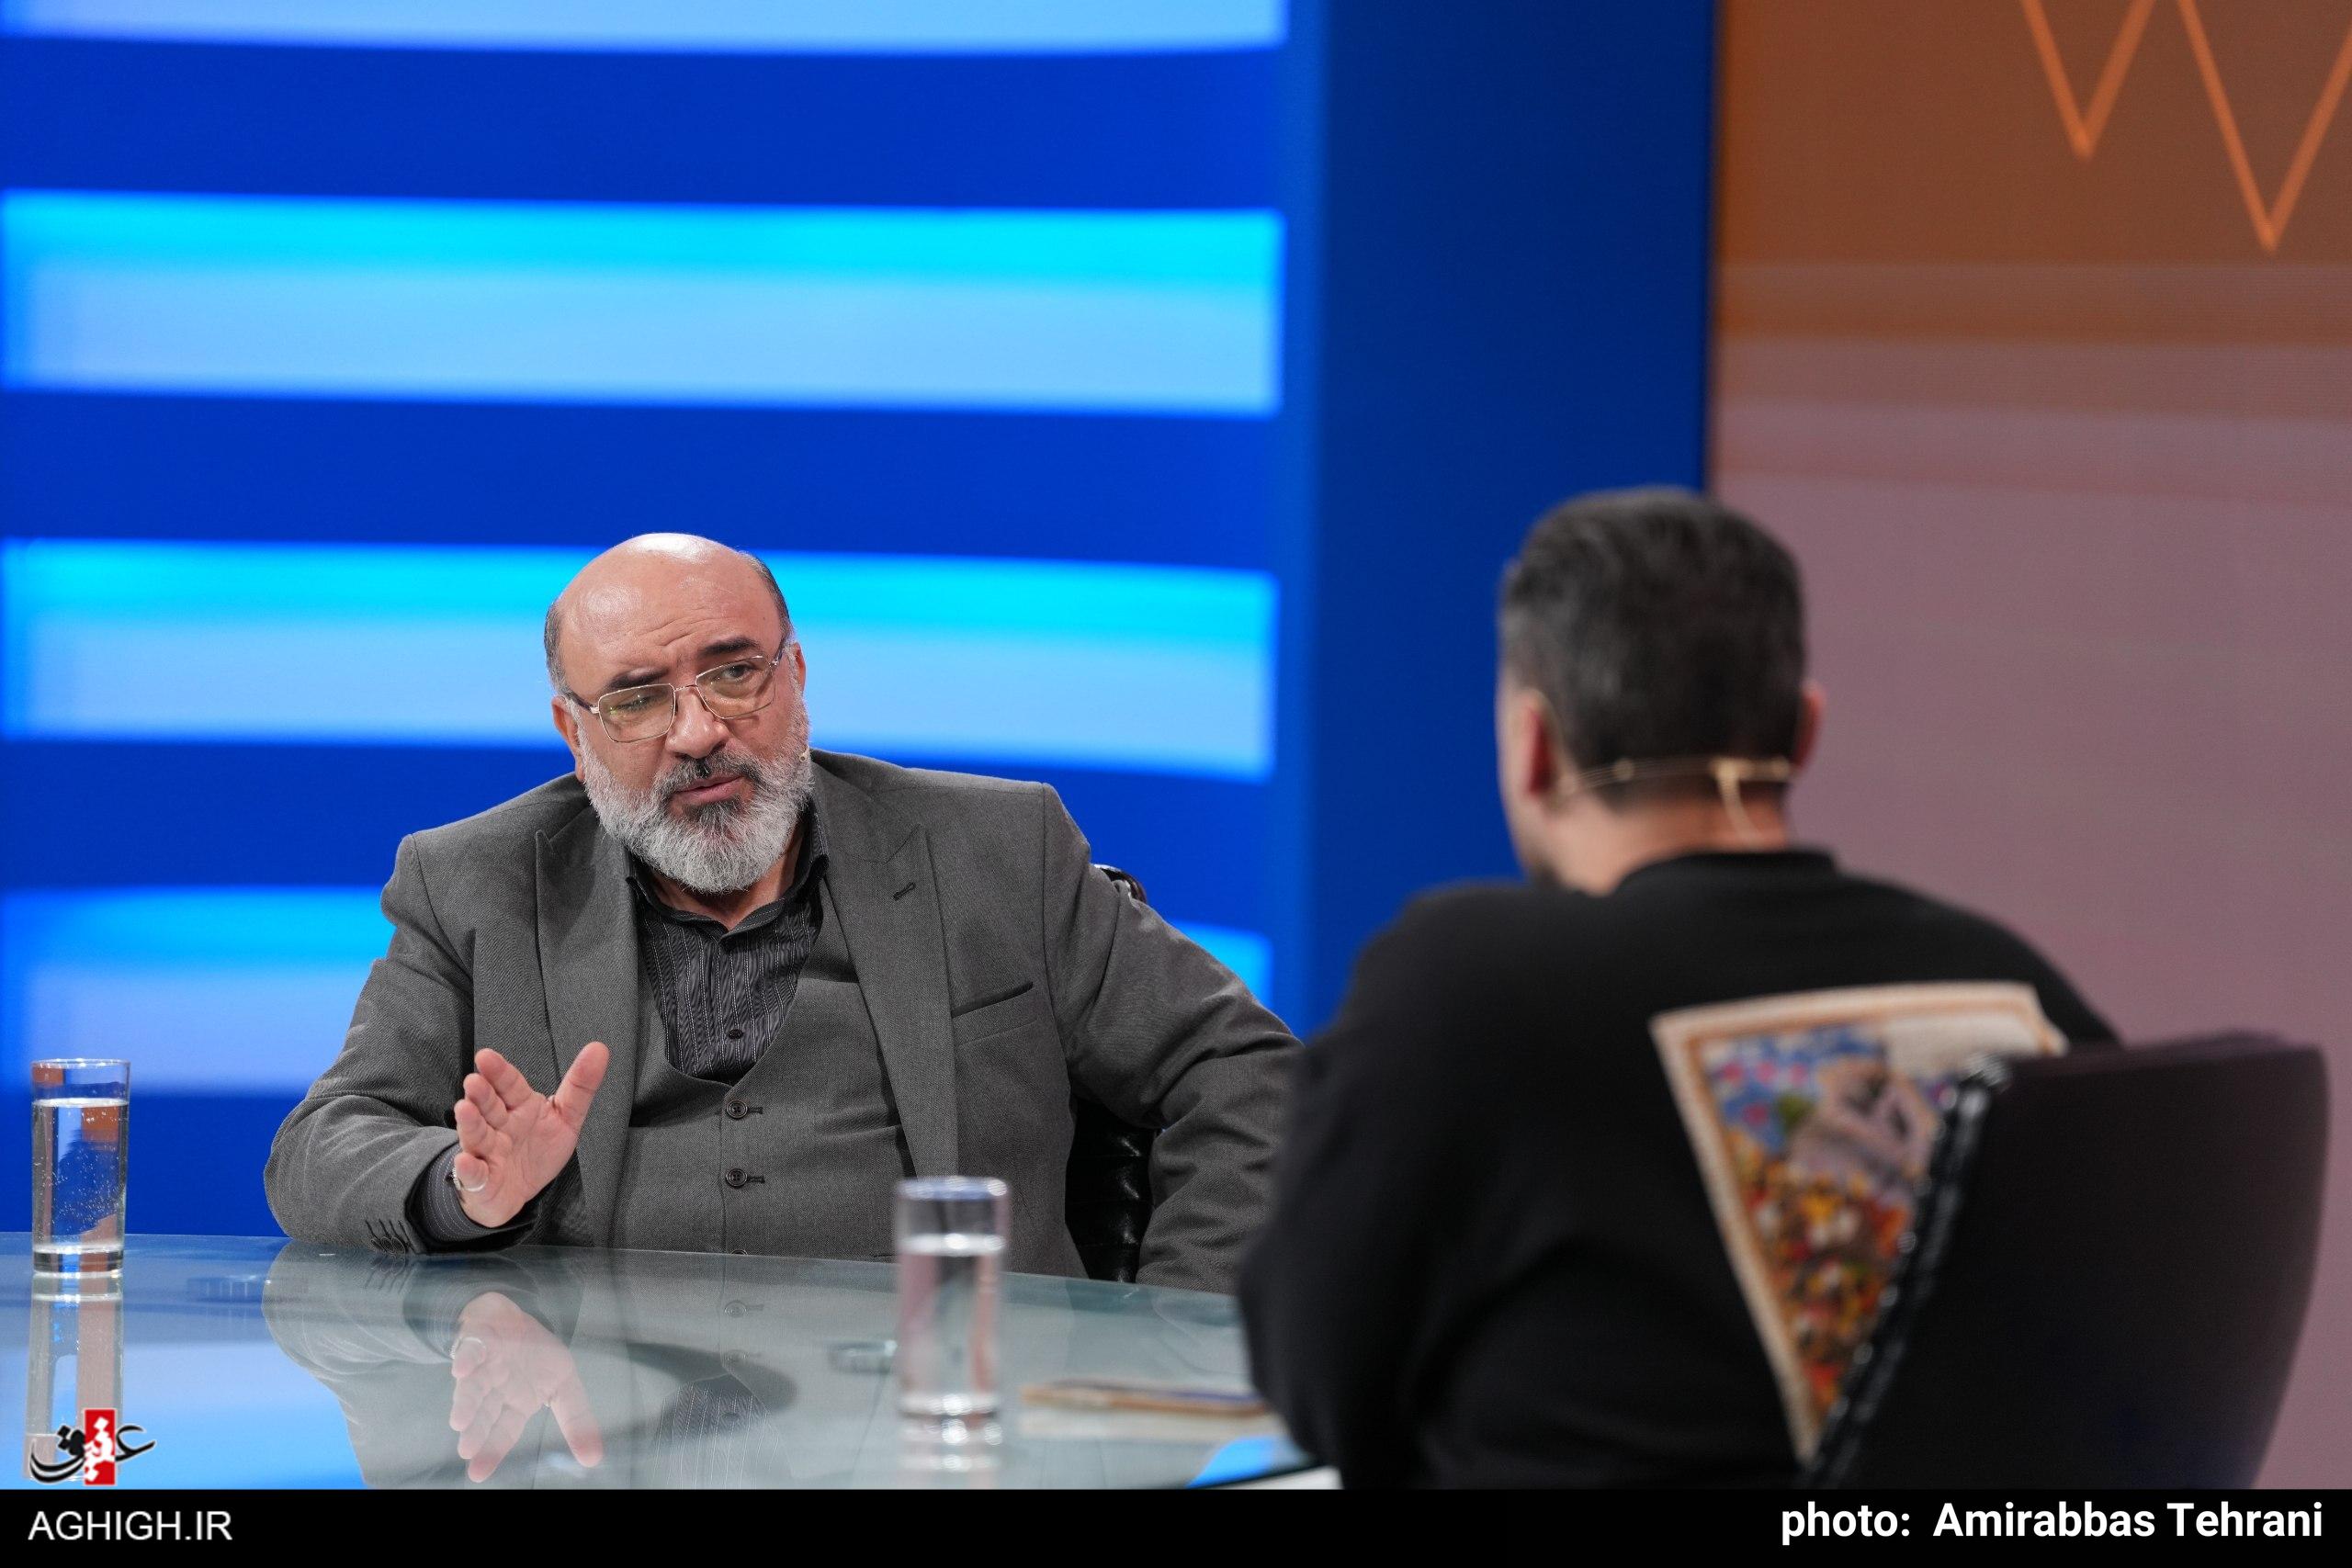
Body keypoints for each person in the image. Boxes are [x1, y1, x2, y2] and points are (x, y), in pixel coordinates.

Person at [1237, 488, 2116, 1486]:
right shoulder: (2019, 990)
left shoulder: (1466, 988)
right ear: (1805, 731)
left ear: (1533, 745)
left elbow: (1313, 1373)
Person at [266, 534, 1295, 1292]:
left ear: (795, 677)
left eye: (733, 673)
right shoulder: (475, 881)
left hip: (954, 1431)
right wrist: (465, 1189)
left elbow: (1246, 1070)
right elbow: (320, 1147)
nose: (698, 731)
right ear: (574, 736)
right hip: (596, 1439)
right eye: (637, 698)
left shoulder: (997, 850)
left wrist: (1175, 1334)